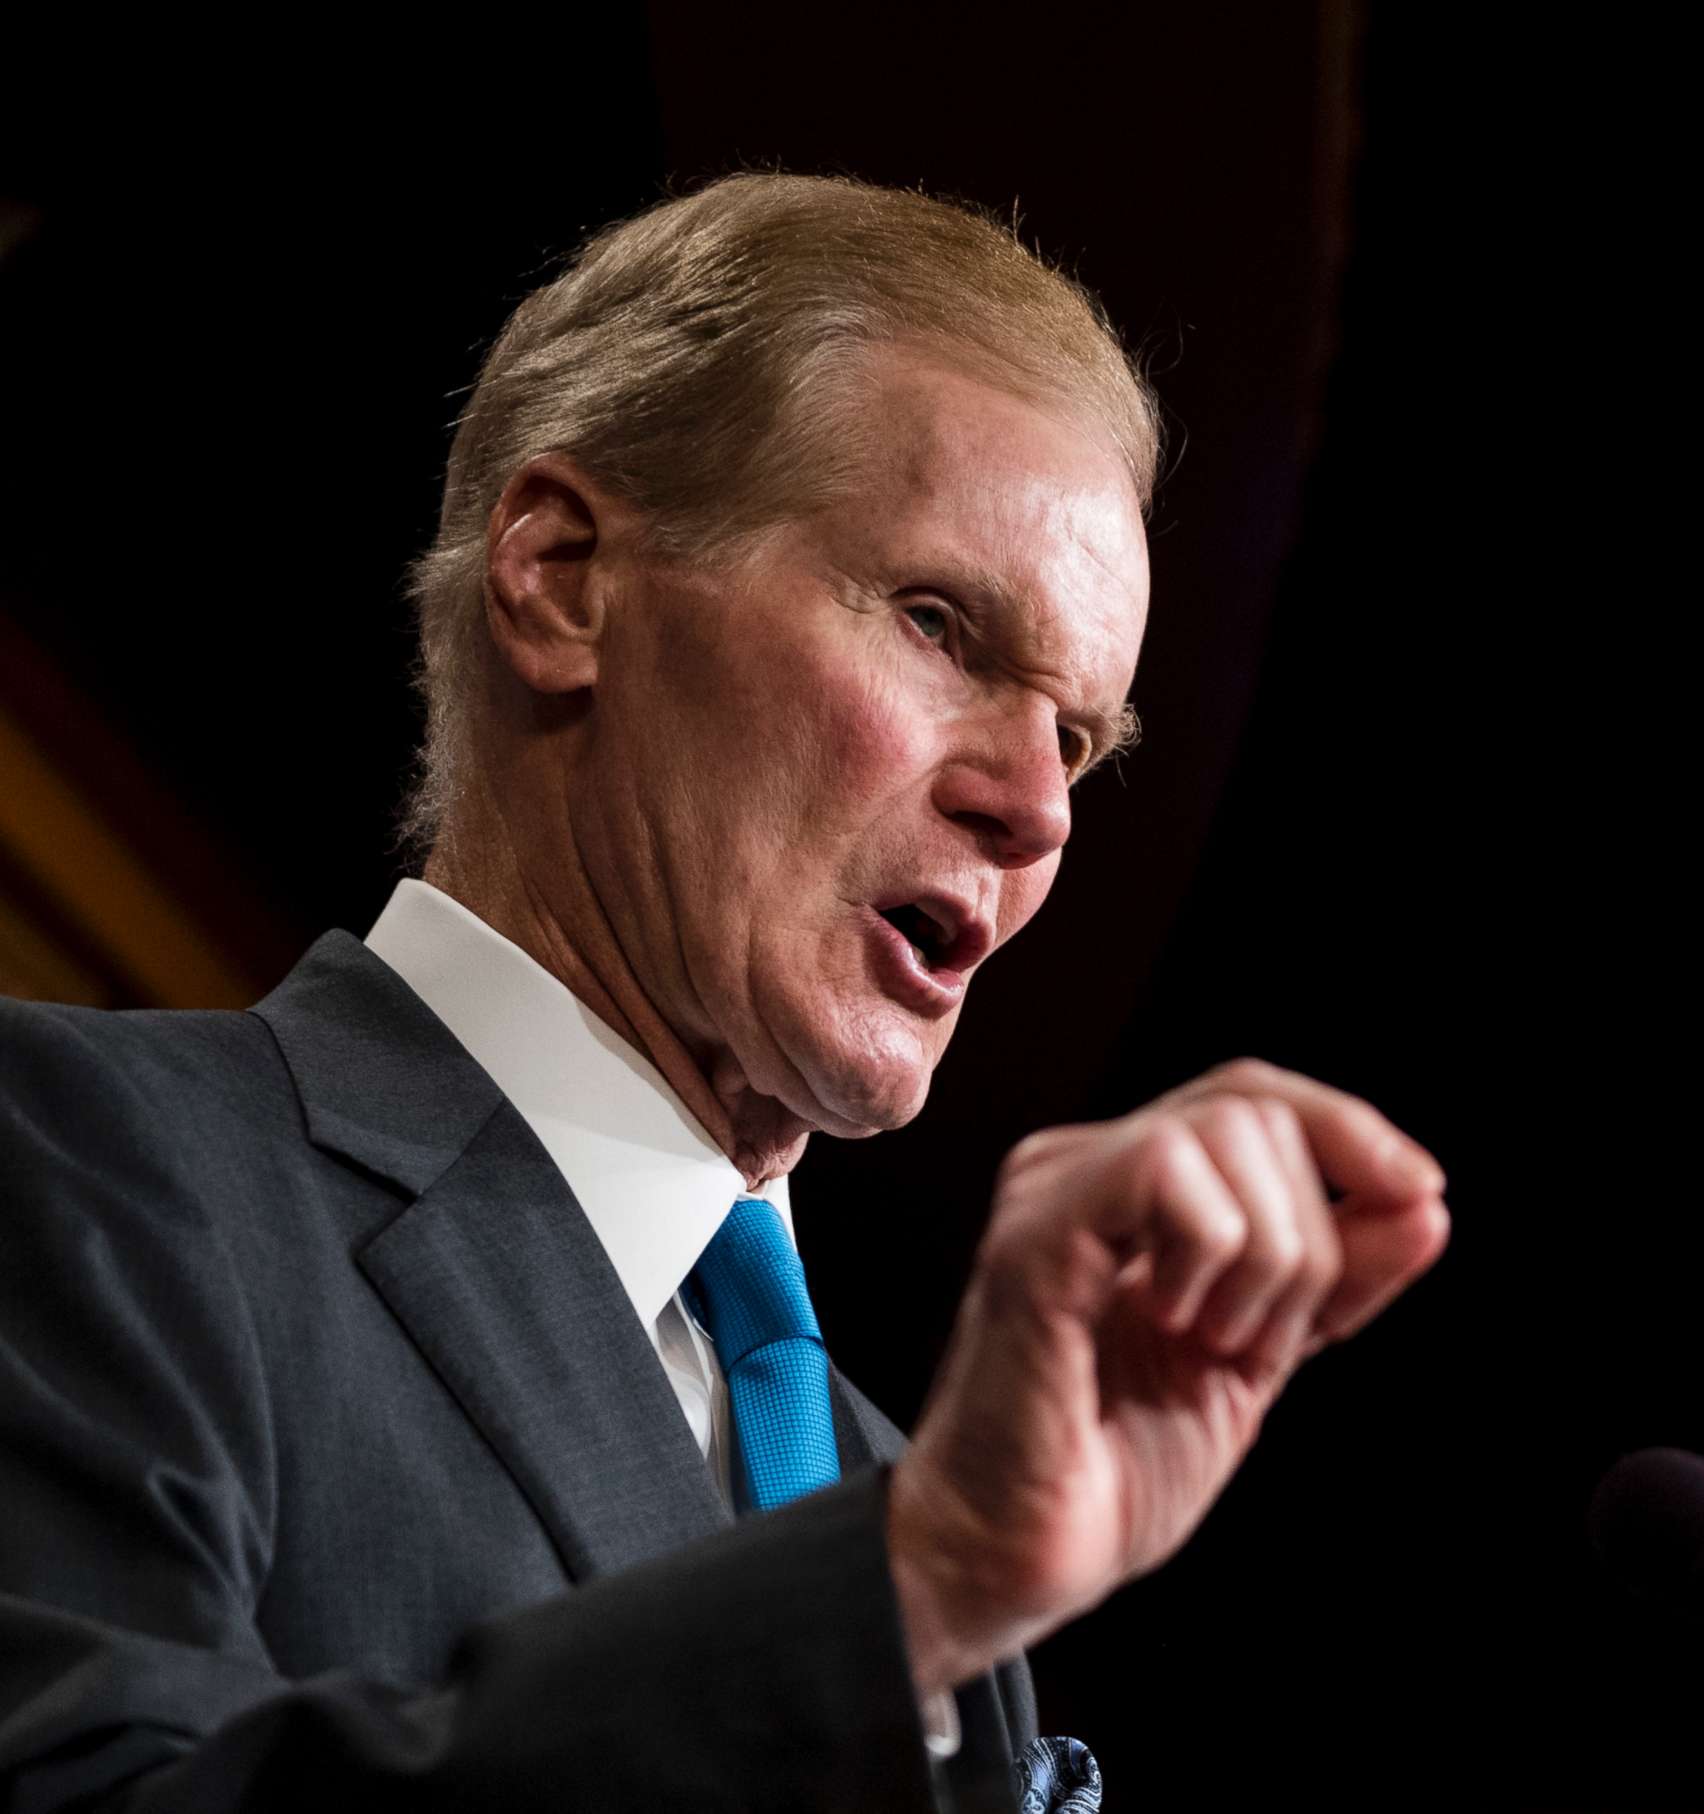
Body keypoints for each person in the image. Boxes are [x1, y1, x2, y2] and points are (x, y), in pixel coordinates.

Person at [0, 172, 1450, 1813]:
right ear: (562, 577)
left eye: (1076, 738)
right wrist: (903, 1590)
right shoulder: (88, 1165)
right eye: (941, 627)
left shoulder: (895, 1478)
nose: (1037, 811)